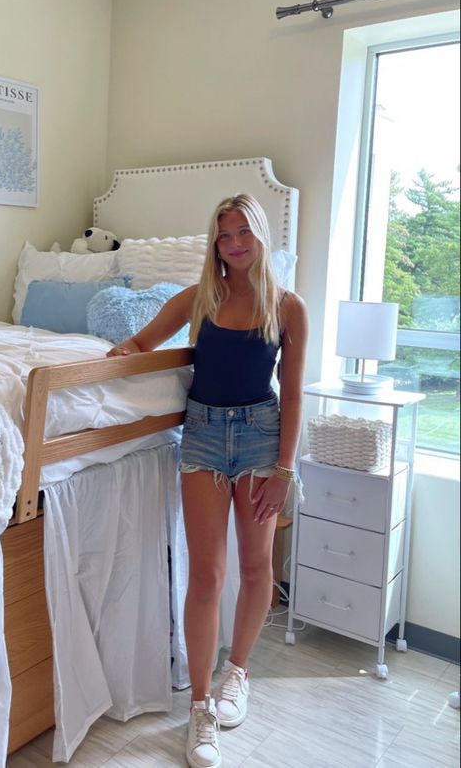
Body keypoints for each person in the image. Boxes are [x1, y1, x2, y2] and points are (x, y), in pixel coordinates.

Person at [107, 194, 307, 768]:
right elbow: (144, 342)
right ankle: (198, 706)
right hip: (200, 436)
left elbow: (292, 393)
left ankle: (236, 673)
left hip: (261, 439)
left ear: (261, 235)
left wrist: (285, 470)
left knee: (254, 566)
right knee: (208, 572)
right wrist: (120, 355)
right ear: (214, 243)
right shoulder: (201, 298)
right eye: (224, 235)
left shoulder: (289, 307)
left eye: (244, 231)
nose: (235, 243)